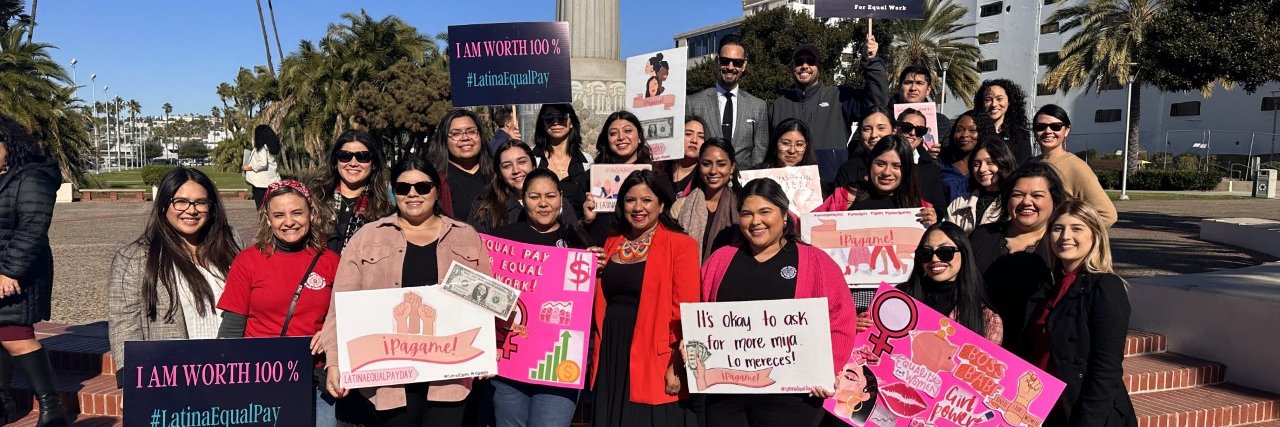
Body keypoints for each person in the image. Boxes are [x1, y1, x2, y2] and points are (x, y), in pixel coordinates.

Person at [321, 156, 492, 426]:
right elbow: (341, 306)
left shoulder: (465, 236)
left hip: (450, 374)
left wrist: (486, 350)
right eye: (403, 188)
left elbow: (485, 301)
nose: (413, 194)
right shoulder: (367, 237)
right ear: (394, 192)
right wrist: (334, 360)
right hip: (389, 376)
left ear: (436, 190)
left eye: (423, 187)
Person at [697, 178, 857, 427]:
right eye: (747, 214)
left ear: (784, 215)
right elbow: (699, 316)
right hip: (726, 395)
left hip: (791, 397)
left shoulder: (816, 262)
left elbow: (841, 320)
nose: (755, 221)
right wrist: (692, 344)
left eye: (765, 212)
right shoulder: (720, 260)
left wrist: (827, 369)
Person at [216, 179, 341, 426]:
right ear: (268, 220)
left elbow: (343, 317)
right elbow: (231, 328)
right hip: (260, 378)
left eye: (297, 212)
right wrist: (225, 378)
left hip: (314, 377)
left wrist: (330, 332)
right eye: (279, 215)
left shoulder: (330, 261)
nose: (289, 222)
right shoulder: (248, 261)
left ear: (311, 213)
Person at [108, 168, 240, 385]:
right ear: (163, 205)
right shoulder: (135, 257)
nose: (191, 210)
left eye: (200, 202)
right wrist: (129, 380)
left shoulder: (231, 245)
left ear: (211, 207)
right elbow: (124, 324)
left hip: (232, 372)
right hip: (170, 376)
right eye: (181, 201)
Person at [590, 170, 699, 426]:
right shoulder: (611, 242)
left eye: (646, 200)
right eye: (630, 200)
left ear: (661, 204)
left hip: (655, 355)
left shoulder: (681, 245)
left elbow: (685, 310)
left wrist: (677, 366)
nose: (638, 207)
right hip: (612, 349)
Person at [487, 168, 594, 427]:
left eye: (550, 196)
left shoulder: (576, 240)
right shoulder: (502, 240)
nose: (543, 203)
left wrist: (597, 264)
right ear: (523, 200)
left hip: (556, 367)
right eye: (535, 196)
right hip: (509, 366)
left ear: (561, 199)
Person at [1025, 199, 1136, 426]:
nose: (1065, 236)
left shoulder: (1106, 287)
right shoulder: (1048, 288)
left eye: (1076, 228)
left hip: (1086, 414)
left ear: (1094, 235)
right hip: (1046, 408)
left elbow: (1106, 368)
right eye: (1058, 228)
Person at [0, 117, 66, 425]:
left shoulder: (31, 177)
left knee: (15, 335)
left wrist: (10, 271)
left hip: (16, 272)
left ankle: (52, 408)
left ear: (9, 145)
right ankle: (4, 404)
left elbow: (33, 228)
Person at [969, 163, 1067, 349]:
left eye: (1037, 195)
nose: (1026, 202)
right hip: (977, 349)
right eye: (1018, 194)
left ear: (1054, 200)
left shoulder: (1061, 246)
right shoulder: (981, 236)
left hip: (1034, 354)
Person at [770, 33, 889, 183]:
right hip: (790, 187)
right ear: (792, 68)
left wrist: (872, 62)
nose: (804, 66)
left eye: (810, 61)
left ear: (819, 67)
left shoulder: (839, 96)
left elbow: (876, 102)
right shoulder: (778, 105)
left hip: (832, 184)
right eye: (799, 62)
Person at [897, 222, 1002, 343]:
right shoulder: (899, 296)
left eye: (945, 252)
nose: (934, 259)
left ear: (964, 253)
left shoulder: (987, 319)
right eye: (926, 253)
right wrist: (870, 326)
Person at [686, 34, 770, 166]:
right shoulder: (692, 103)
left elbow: (760, 152)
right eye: (725, 61)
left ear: (744, 66)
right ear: (717, 61)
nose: (730, 67)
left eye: (737, 63)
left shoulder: (759, 107)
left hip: (744, 183)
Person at [821, 135, 939, 228]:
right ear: (870, 164)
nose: (887, 172)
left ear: (907, 170)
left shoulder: (919, 207)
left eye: (896, 166)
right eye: (880, 164)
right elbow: (809, 227)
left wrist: (932, 227)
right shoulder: (845, 197)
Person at [1032, 104, 1117, 227]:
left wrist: (1070, 234)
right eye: (1041, 127)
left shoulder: (1076, 167)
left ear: (1066, 130)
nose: (1048, 131)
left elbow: (1107, 215)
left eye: (1056, 127)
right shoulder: (1029, 163)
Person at [315, 130, 394, 254]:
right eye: (345, 156)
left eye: (362, 157)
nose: (353, 163)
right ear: (336, 161)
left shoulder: (384, 210)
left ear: (373, 163)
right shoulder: (316, 200)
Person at [583, 111, 655, 245]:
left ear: (639, 137)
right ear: (606, 140)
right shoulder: (589, 178)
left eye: (628, 130)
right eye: (613, 133)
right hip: (601, 252)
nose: (621, 137)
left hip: (643, 253)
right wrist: (587, 220)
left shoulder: (655, 178)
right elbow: (574, 229)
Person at [671, 138, 740, 259]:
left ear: (732, 167)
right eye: (706, 164)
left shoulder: (743, 206)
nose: (713, 171)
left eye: (721, 164)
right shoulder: (680, 206)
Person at [428, 109, 495, 219]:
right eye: (456, 134)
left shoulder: (498, 173)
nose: (465, 138)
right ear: (444, 140)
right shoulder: (436, 181)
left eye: (471, 131)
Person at [531, 104, 594, 219]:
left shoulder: (586, 161)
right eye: (549, 118)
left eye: (561, 118)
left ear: (571, 122)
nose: (555, 122)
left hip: (576, 230)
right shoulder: (532, 158)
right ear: (543, 123)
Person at [947, 137, 1017, 233]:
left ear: (1004, 163)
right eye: (976, 164)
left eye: (990, 163)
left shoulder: (1014, 203)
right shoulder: (959, 203)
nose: (982, 169)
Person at [469, 140, 538, 233]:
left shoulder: (552, 198)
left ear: (533, 165)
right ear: (500, 173)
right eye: (507, 166)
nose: (516, 170)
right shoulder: (485, 206)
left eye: (521, 162)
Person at [895, 108, 948, 213]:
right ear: (896, 129)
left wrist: (933, 215)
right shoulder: (878, 161)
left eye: (920, 130)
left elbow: (940, 208)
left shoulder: (932, 169)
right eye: (907, 127)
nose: (912, 133)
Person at [890, 65, 953, 149]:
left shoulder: (942, 122)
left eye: (919, 83)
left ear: (928, 90)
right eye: (908, 82)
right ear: (900, 87)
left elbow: (949, 156)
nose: (913, 88)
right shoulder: (885, 117)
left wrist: (937, 157)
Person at [974, 79, 1035, 164]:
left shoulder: (1020, 135)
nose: (994, 104)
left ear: (1009, 101)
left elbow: (1024, 168)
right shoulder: (974, 132)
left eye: (999, 99)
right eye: (988, 99)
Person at [833, 108, 893, 191]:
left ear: (894, 131)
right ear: (860, 134)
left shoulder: (906, 166)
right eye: (867, 129)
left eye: (881, 128)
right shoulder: (848, 170)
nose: (874, 135)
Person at [937, 110, 981, 203]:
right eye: (959, 130)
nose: (964, 135)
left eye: (972, 130)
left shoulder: (990, 169)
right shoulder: (942, 166)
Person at [753, 118, 818, 170]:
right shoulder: (757, 174)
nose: (792, 151)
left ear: (806, 146)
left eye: (799, 144)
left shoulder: (814, 178)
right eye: (785, 143)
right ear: (775, 143)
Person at [243, 124, 283, 209]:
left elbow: (262, 164)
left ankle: (264, 222)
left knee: (261, 206)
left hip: (260, 183)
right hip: (272, 180)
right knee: (272, 206)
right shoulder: (271, 148)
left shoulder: (262, 149)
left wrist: (248, 168)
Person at [666, 116, 707, 195]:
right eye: (688, 134)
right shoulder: (662, 170)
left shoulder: (705, 176)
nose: (694, 140)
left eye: (701, 136)